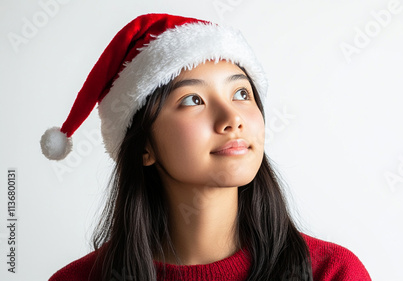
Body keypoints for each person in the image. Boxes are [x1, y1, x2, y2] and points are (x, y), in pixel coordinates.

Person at [41, 13, 372, 281]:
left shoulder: (332, 273)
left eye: (242, 94)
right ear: (144, 147)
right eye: (192, 100)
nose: (232, 118)